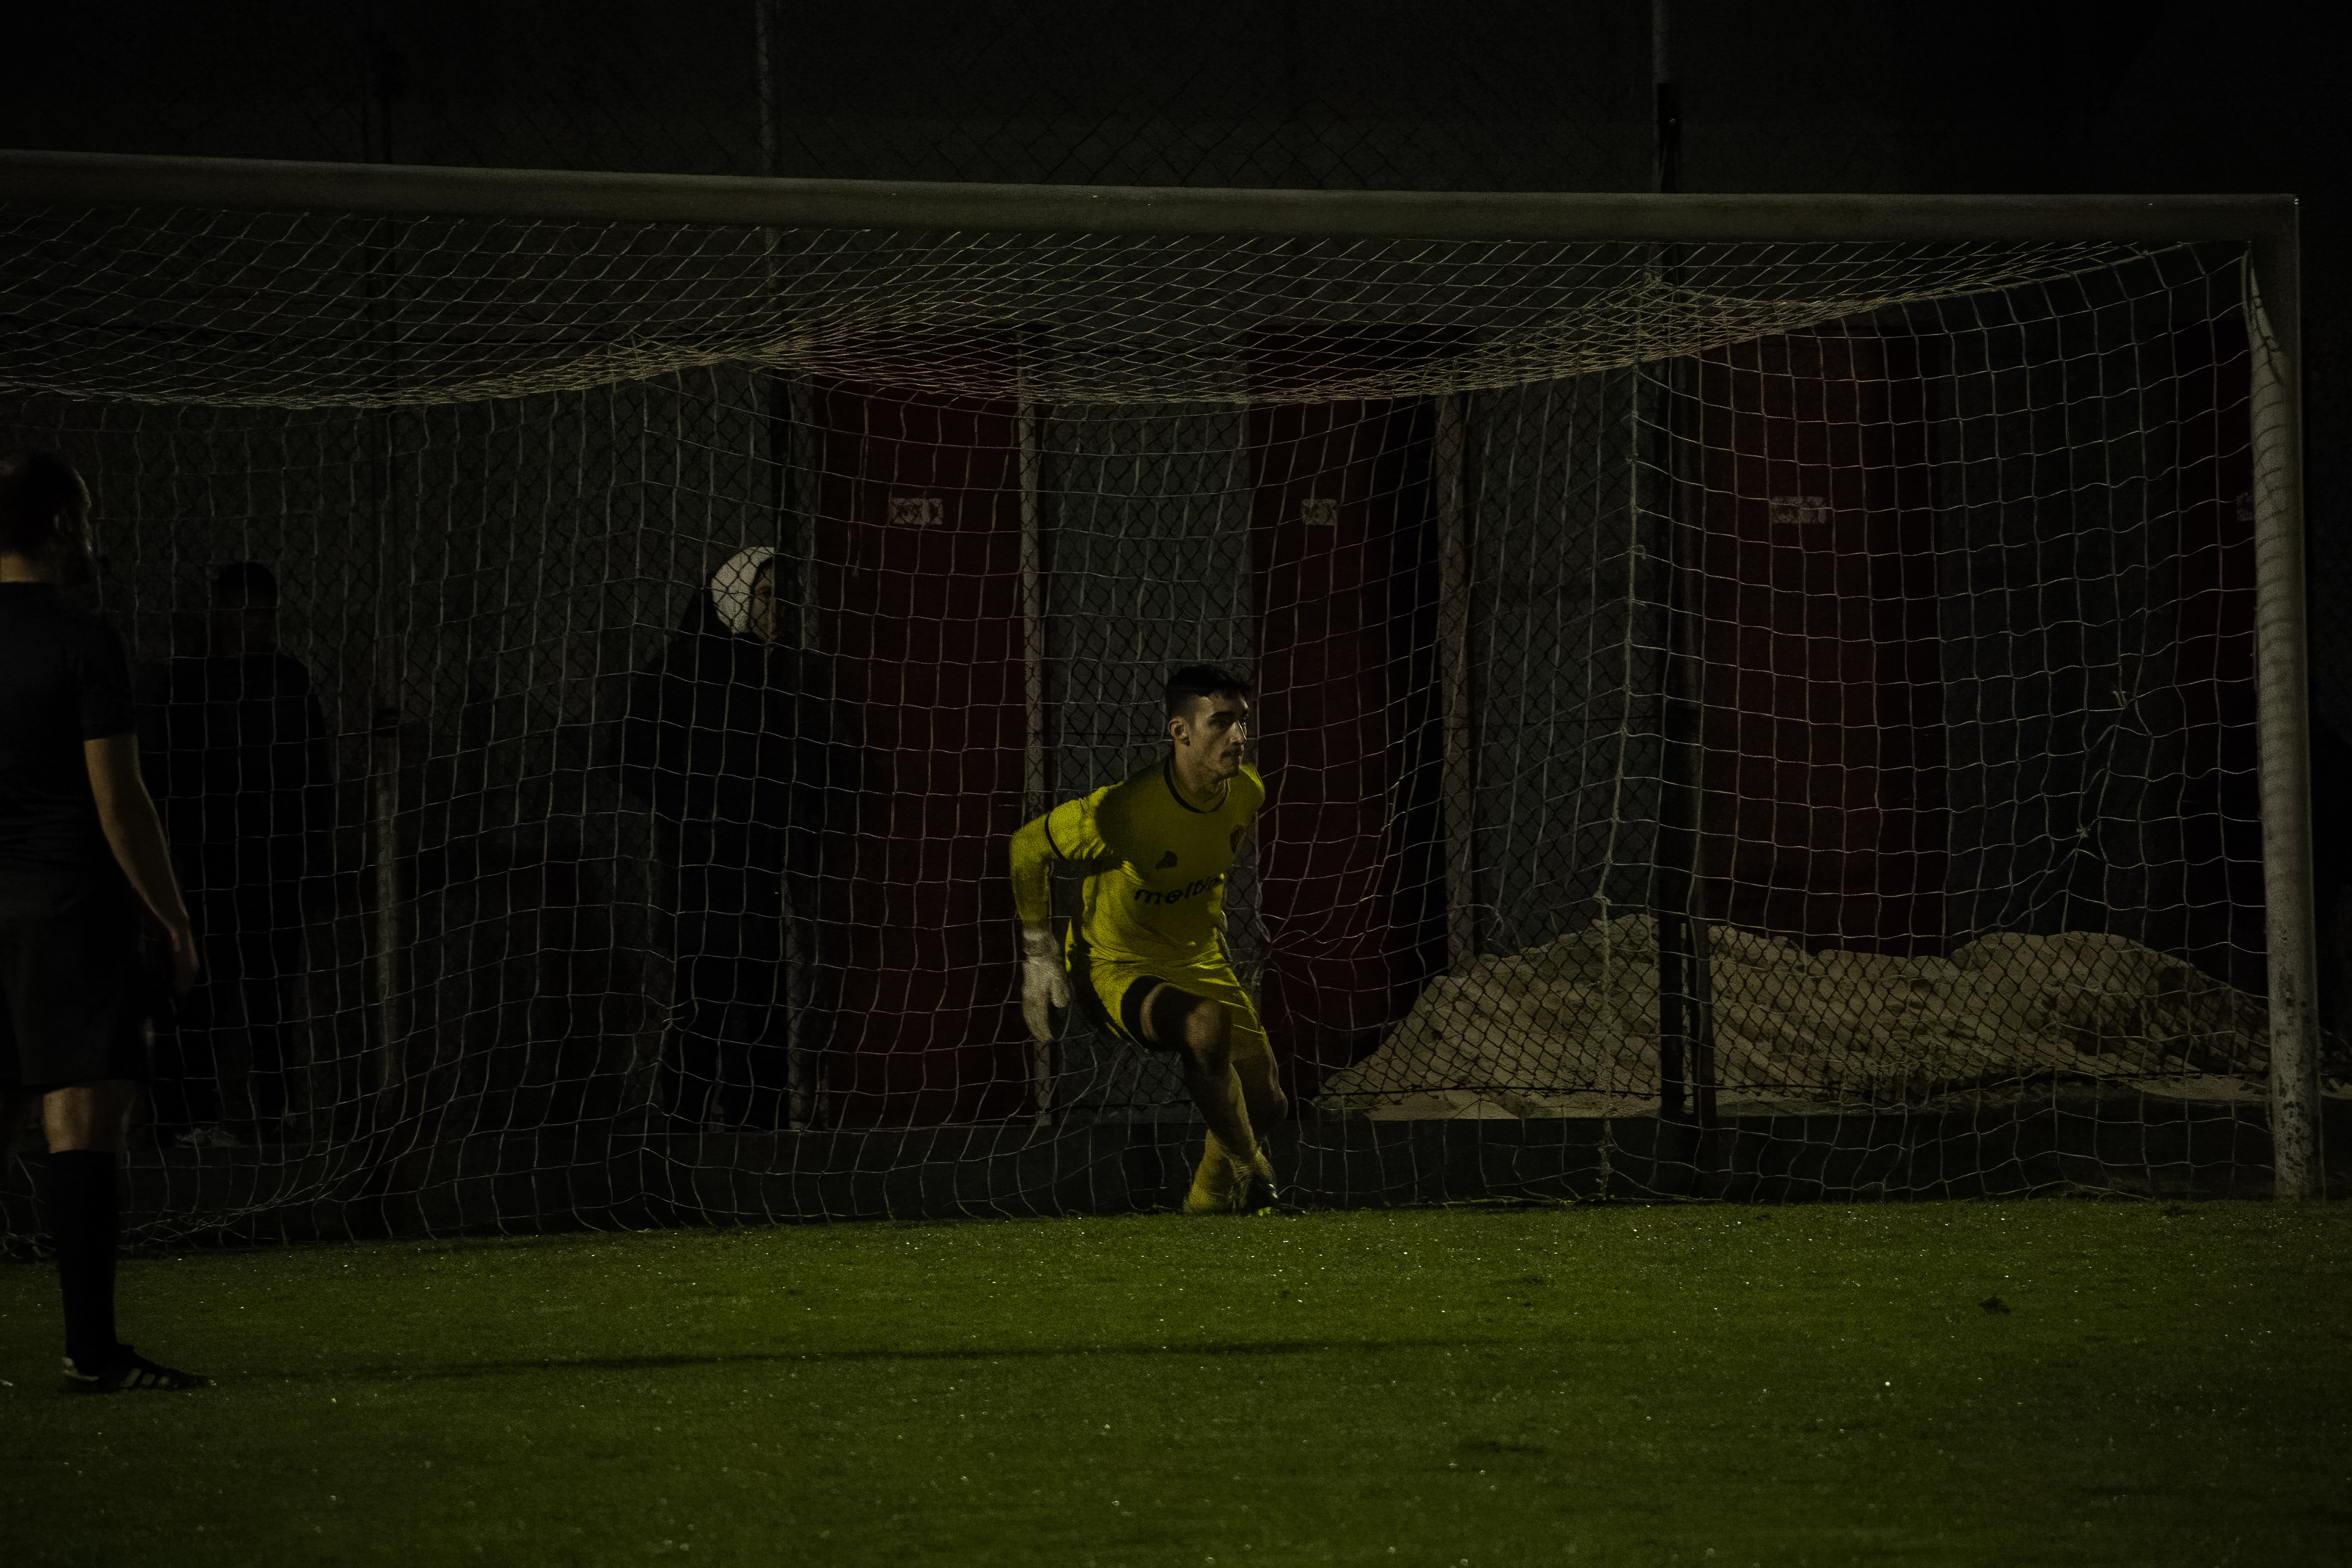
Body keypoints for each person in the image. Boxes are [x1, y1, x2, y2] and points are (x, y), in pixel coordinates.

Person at [0, 450, 209, 1391]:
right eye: (84, 515)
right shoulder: (82, 639)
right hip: (66, 907)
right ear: (60, 526)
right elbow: (119, 801)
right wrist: (173, 918)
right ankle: (92, 1354)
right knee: (81, 1116)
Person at [1009, 664, 1281, 1213]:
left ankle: (1209, 1198)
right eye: (1220, 722)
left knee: (1267, 1102)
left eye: (1243, 722)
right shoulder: (1128, 810)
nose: (1238, 736)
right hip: (1114, 964)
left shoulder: (1246, 792)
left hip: (1197, 958)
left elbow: (1206, 856)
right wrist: (1038, 951)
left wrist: (1207, 916)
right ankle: (1249, 1166)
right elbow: (1026, 846)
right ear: (1180, 731)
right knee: (1204, 1024)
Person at [620, 547, 837, 1132]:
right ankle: (689, 1118)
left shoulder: (782, 673)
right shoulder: (687, 669)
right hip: (706, 863)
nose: (775, 611)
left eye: (780, 599)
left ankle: (758, 1117)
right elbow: (634, 754)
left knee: (761, 993)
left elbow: (815, 759)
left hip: (762, 861)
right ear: (732, 602)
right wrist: (697, 808)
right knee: (705, 996)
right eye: (763, 598)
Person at [144, 561, 333, 1147]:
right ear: (224, 614)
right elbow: (168, 776)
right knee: (207, 989)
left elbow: (315, 771)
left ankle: (275, 1111)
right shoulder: (191, 683)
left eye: (267, 613)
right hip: (212, 860)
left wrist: (313, 851)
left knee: (271, 989)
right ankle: (194, 1116)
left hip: (273, 858)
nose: (261, 624)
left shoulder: (286, 679)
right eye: (250, 612)